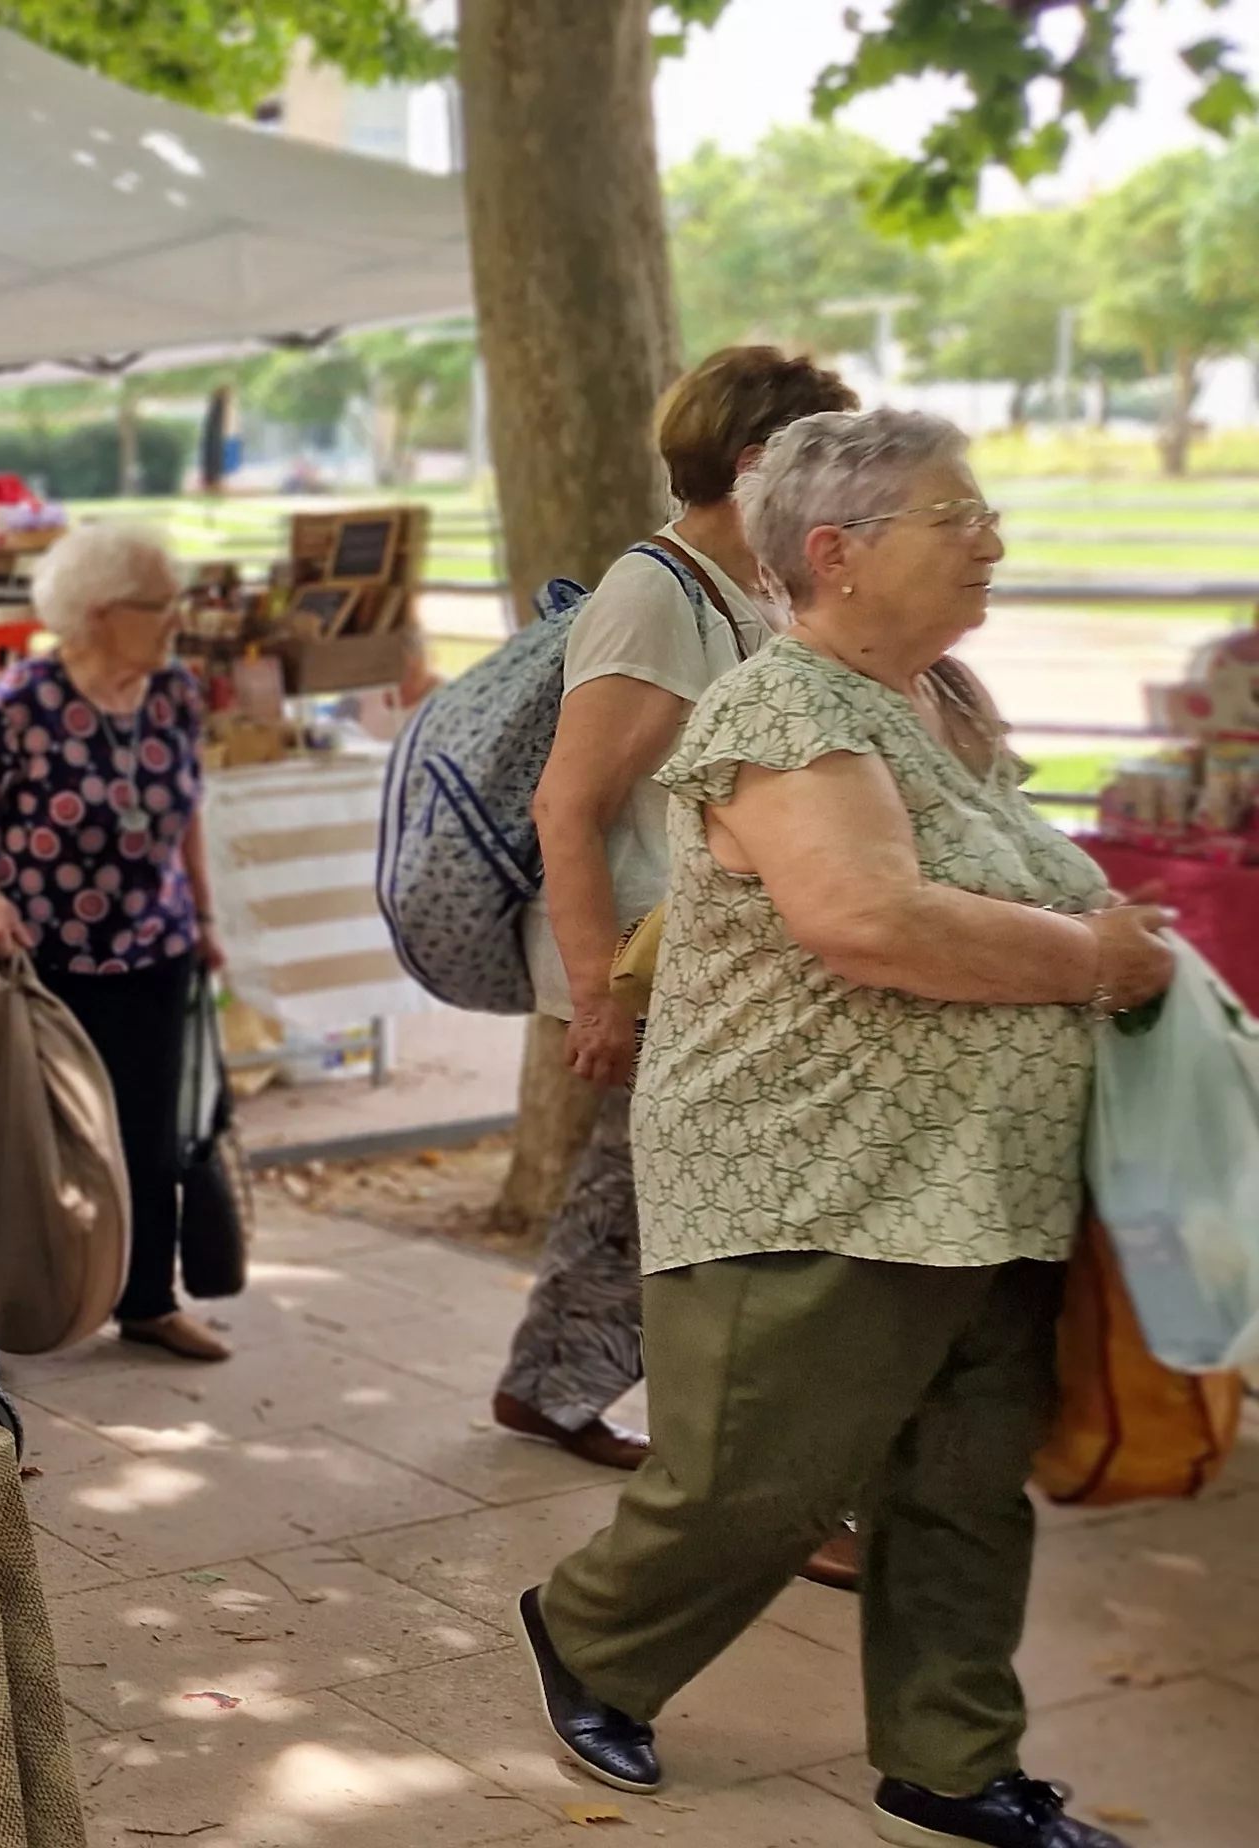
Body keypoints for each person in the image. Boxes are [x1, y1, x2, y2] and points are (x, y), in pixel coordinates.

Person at [521, 410, 1169, 1848]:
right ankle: (591, 1634)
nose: (991, 538)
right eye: (958, 515)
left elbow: (996, 880)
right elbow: (869, 921)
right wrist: (1096, 959)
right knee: (756, 1483)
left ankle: (951, 1760)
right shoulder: (783, 712)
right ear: (837, 552)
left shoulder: (938, 702)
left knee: (961, 1485)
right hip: (814, 1176)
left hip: (978, 1183)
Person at [504, 347, 858, 1474]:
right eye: (832, 462)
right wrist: (601, 998)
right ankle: (722, 1454)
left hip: (707, 960)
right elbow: (566, 806)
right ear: (757, 466)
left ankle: (549, 1387)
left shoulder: (747, 588)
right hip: (657, 964)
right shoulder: (655, 596)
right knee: (697, 1199)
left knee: (635, 1190)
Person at [0, 523, 226, 1355]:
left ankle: (148, 1300)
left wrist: (205, 919)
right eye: (160, 604)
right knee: (41, 1139)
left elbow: (187, 812)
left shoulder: (174, 693)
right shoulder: (21, 701)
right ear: (101, 613)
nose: (176, 618)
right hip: (46, 958)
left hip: (156, 947)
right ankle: (32, 1295)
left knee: (149, 1134)